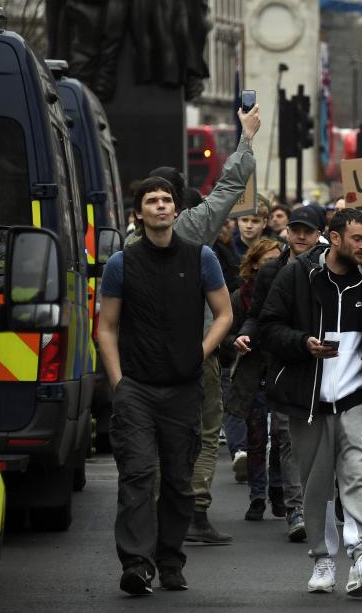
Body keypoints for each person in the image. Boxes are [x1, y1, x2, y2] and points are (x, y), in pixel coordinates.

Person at [98, 176, 234, 594]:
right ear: (138, 213)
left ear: (176, 210)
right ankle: (137, 564)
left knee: (178, 480)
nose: (160, 206)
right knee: (137, 475)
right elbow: (105, 327)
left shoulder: (201, 257)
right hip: (136, 388)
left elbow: (225, 313)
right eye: (151, 201)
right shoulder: (122, 263)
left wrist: (200, 352)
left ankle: (170, 561)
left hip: (182, 388)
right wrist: (120, 383)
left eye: (166, 200)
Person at [259, 208, 362, 597]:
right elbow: (269, 327)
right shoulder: (298, 275)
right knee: (316, 483)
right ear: (334, 238)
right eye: (357, 239)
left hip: (356, 398)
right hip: (309, 400)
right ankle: (322, 557)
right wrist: (303, 343)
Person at [138, 105, 258, 546]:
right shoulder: (191, 231)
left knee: (152, 436)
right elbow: (228, 187)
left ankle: (156, 513)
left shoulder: (127, 246)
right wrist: (246, 137)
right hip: (193, 353)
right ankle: (194, 512)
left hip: (143, 359)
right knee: (207, 430)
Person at [240, 206, 323, 541]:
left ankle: (322, 503)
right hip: (284, 363)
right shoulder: (271, 270)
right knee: (285, 433)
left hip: (324, 363)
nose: (301, 235)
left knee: (321, 438)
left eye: (308, 230)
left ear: (320, 234)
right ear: (286, 231)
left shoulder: (330, 268)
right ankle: (296, 509)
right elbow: (258, 313)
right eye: (295, 229)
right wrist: (246, 333)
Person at [223, 237, 284, 522]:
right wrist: (237, 341)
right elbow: (225, 333)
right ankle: (257, 496)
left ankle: (280, 493)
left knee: (283, 439)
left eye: (278, 259)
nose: (273, 265)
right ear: (256, 263)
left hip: (282, 374)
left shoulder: (288, 291)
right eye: (268, 260)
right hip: (252, 377)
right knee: (257, 439)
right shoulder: (239, 297)